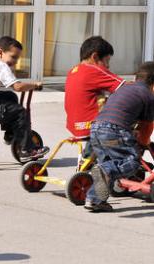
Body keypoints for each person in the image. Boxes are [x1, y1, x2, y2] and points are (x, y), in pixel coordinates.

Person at [84, 61, 154, 212]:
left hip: (96, 127)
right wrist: (143, 143)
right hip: (115, 128)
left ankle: (95, 200)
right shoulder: (148, 96)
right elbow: (147, 128)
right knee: (132, 162)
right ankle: (104, 171)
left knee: (108, 163)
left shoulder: (125, 88)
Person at [64, 36, 125, 158]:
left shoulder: (73, 71)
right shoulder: (94, 70)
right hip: (94, 126)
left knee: (105, 103)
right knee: (130, 123)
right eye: (107, 61)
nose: (107, 66)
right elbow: (125, 88)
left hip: (75, 126)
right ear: (95, 57)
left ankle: (88, 157)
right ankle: (123, 161)